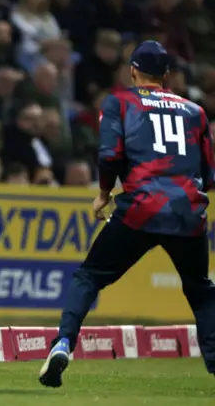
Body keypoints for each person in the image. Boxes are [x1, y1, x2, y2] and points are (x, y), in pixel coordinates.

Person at [39, 41, 215, 388]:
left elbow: (109, 155)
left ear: (133, 70)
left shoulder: (119, 102)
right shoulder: (195, 112)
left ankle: (63, 343)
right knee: (201, 290)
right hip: (188, 212)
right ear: (167, 76)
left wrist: (104, 193)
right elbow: (209, 174)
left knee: (89, 277)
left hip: (140, 208)